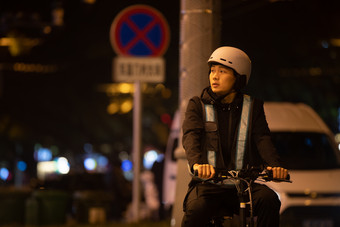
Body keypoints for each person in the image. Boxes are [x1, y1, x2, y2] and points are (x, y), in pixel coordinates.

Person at [181, 46, 288, 227]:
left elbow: (262, 138)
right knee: (196, 209)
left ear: (238, 78)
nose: (215, 76)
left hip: (243, 185)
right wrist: (197, 164)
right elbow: (191, 136)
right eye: (212, 71)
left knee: (269, 199)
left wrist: (275, 166)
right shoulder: (197, 105)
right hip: (209, 186)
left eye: (222, 71)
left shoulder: (253, 107)